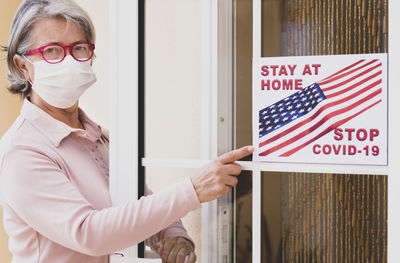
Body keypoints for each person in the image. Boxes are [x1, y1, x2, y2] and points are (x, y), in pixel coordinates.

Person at [0, 0, 254, 262]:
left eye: (79, 48)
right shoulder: (21, 151)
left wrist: (173, 236)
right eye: (52, 50)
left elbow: (138, 203)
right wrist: (193, 190)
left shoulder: (100, 137)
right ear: (23, 67)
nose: (69, 60)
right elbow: (89, 233)